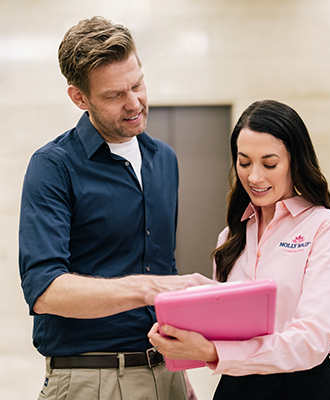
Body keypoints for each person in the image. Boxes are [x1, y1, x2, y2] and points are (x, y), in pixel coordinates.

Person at [18, 16, 213, 400]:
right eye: (113, 95)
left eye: (137, 84)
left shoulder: (165, 159)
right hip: (92, 379)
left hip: (166, 373)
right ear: (79, 97)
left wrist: (180, 368)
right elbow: (45, 290)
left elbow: (162, 263)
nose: (134, 102)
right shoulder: (54, 166)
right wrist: (148, 289)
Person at [148, 99, 330, 399]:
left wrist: (212, 351)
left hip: (302, 387)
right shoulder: (232, 236)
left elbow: (312, 340)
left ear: (295, 162)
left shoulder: (326, 228)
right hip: (235, 386)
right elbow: (223, 328)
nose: (254, 177)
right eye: (244, 163)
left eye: (269, 164)